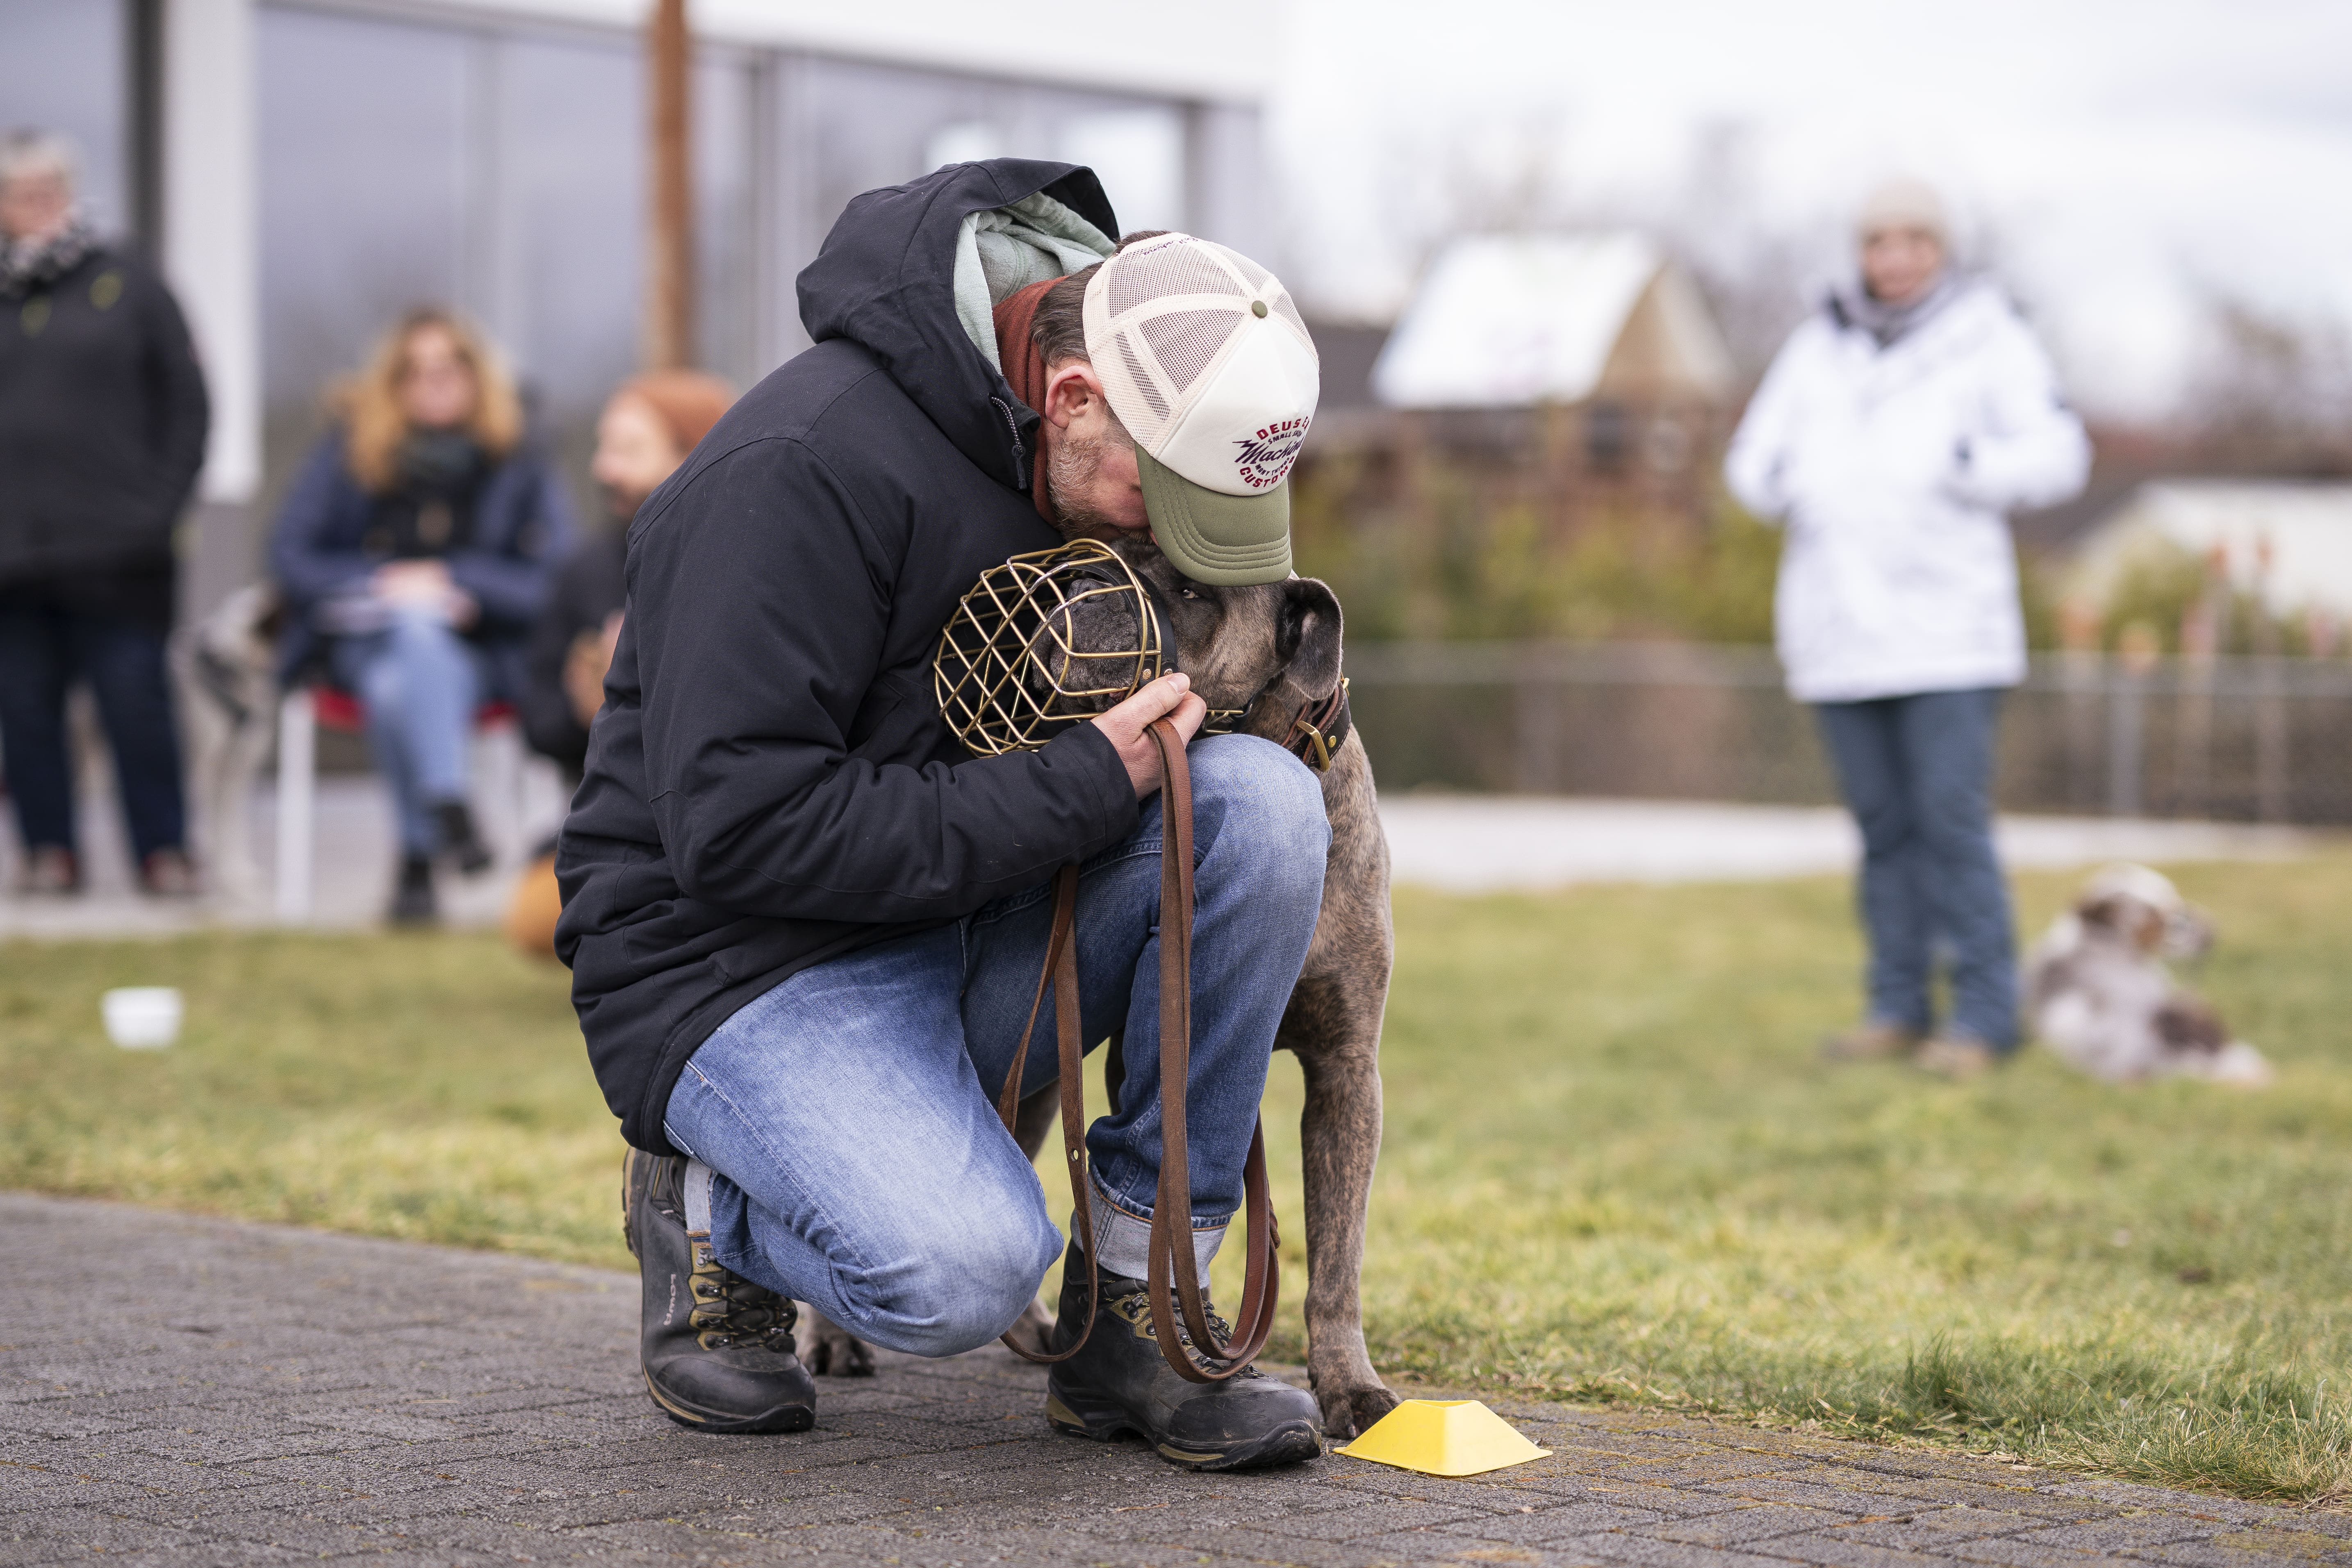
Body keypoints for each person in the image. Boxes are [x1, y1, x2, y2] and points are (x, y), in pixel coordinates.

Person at [557, 160, 1331, 1469]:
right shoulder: (793, 472)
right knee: (961, 1278)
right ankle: (704, 1201)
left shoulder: (1067, 440)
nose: (1172, 542)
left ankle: (1138, 1317)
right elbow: (740, 831)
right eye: (1162, 500)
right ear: (1073, 399)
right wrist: (1085, 781)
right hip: (741, 965)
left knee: (1260, 808)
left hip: (961, 908)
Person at [1726, 176, 2089, 1079]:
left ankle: (1983, 1014)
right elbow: (1752, 459)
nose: (1894, 258)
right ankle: (1896, 1004)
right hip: (1839, 630)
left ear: (1939, 248)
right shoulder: (1816, 345)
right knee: (1882, 831)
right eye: (1877, 241)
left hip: (1948, 634)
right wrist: (1790, 483)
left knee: (1950, 822)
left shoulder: (1989, 335)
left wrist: (1966, 463)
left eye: (1912, 241)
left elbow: (2060, 454)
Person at [270, 309, 574, 926]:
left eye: (449, 366)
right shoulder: (349, 449)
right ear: (392, 383)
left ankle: (417, 858)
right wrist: (382, 583)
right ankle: (451, 808)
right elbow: (289, 556)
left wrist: (456, 581)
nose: (433, 382)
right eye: (415, 370)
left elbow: (557, 578)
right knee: (412, 629)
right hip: (359, 646)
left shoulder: (519, 456)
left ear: (476, 375)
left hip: (483, 655)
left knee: (397, 684)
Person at [0, 129, 208, 897]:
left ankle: (164, 853)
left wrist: (156, 511)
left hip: (121, 554)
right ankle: (48, 854)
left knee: (136, 707)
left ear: (70, 191)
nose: (34, 204)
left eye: (47, 189)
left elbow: (189, 404)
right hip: (13, 555)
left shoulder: (129, 280)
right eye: (18, 193)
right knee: (24, 713)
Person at [504, 371, 733, 956]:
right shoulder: (585, 570)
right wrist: (592, 713)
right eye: (604, 448)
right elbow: (537, 723)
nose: (605, 469)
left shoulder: (742, 563)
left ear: (693, 454)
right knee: (536, 917)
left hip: (732, 821)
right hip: (619, 827)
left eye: (629, 450)